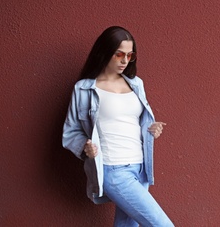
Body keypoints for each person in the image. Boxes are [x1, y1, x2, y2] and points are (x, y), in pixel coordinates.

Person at [62, 26, 174, 226]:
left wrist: (151, 129)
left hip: (141, 168)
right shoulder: (85, 89)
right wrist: (85, 147)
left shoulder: (136, 84)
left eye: (130, 55)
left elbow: (131, 121)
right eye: (119, 54)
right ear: (105, 52)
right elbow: (70, 132)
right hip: (113, 170)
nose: (124, 61)